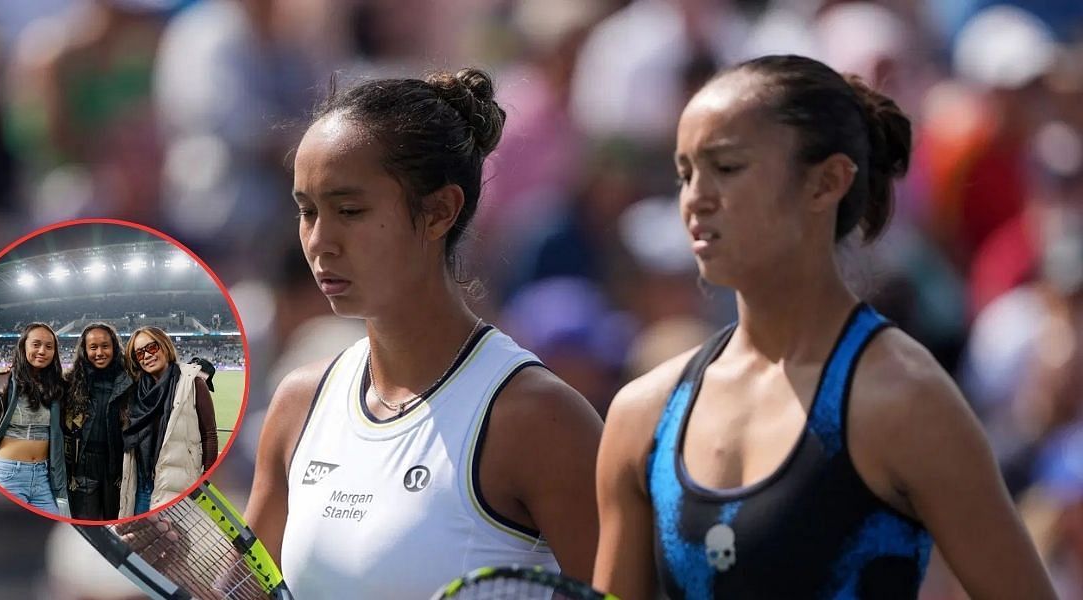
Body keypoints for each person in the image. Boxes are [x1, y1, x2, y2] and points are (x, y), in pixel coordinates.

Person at [592, 54, 1055, 599]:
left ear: (826, 182)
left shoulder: (905, 399)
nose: (696, 199)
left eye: (727, 167)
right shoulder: (640, 416)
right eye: (686, 173)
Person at [243, 68, 603, 599]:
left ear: (439, 212)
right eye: (307, 211)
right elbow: (244, 589)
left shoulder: (540, 419)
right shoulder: (297, 404)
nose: (319, 241)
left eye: (349, 210)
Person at [0, 322, 70, 516]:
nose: (42, 351)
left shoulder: (58, 389)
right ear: (23, 346)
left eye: (49, 346)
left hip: (43, 477)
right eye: (36, 344)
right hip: (7, 474)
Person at [119, 326, 218, 517]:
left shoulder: (193, 383)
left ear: (164, 346)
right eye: (139, 353)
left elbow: (209, 435)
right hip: (142, 486)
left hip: (179, 487)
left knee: (173, 545)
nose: (146, 355)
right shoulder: (134, 392)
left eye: (152, 348)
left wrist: (205, 481)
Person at [63, 322, 135, 520]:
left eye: (105, 346)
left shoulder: (129, 381)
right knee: (87, 524)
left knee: (116, 524)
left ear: (114, 347)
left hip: (118, 466)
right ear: (85, 351)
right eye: (93, 347)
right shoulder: (70, 382)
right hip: (83, 465)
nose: (100, 352)